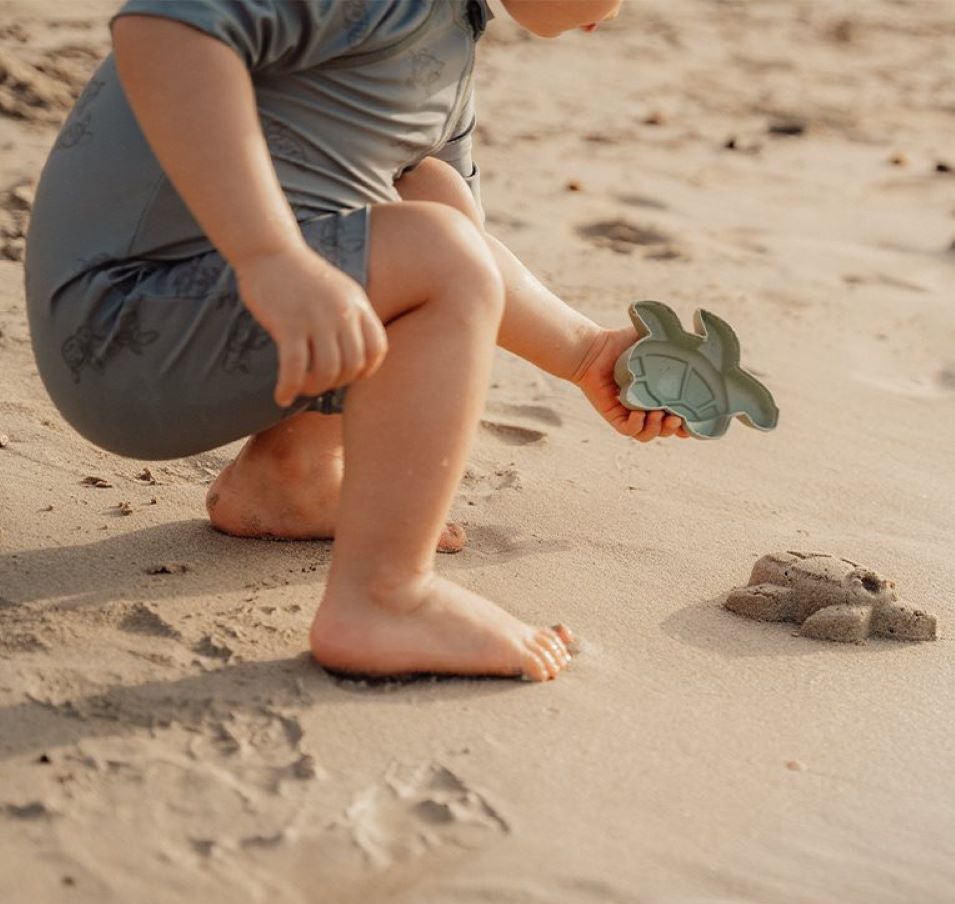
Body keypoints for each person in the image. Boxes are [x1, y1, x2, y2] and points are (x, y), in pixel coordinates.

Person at [25, 0, 688, 683]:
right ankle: (384, 598)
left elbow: (461, 253)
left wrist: (585, 353)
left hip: (191, 322)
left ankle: (291, 477)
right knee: (440, 252)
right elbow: (161, 27)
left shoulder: (446, 40)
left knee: (430, 197)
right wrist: (270, 255)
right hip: (120, 330)